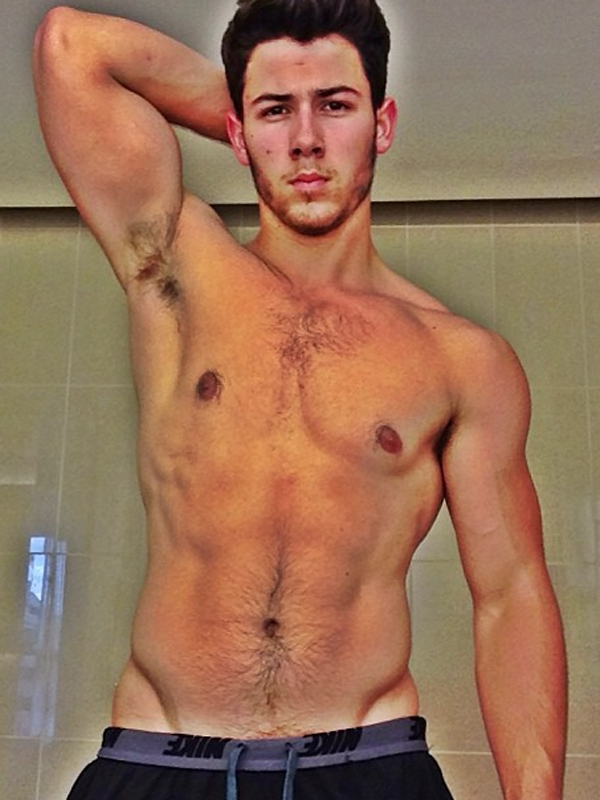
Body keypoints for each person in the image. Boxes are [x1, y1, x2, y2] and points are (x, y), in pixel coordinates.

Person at [32, 1, 567, 798]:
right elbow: (70, 46)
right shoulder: (177, 267)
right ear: (236, 129)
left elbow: (510, 593)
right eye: (277, 111)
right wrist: (253, 109)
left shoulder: (460, 357)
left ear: (383, 125)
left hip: (366, 768)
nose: (308, 140)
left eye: (336, 106)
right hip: (158, 761)